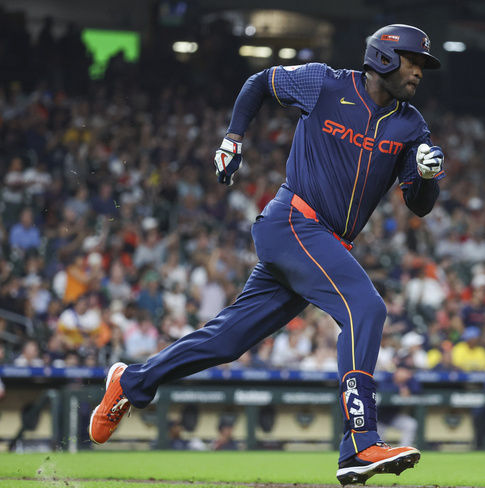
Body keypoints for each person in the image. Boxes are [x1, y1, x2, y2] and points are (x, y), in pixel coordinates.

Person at [87, 24, 444, 485]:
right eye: (414, 60)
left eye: (422, 64)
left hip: (321, 243)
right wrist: (233, 138)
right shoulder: (327, 83)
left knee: (226, 341)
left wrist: (427, 174)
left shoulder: (411, 125)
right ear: (385, 58)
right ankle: (360, 441)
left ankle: (132, 382)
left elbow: (419, 204)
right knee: (366, 308)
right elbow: (259, 82)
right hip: (292, 222)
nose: (419, 71)